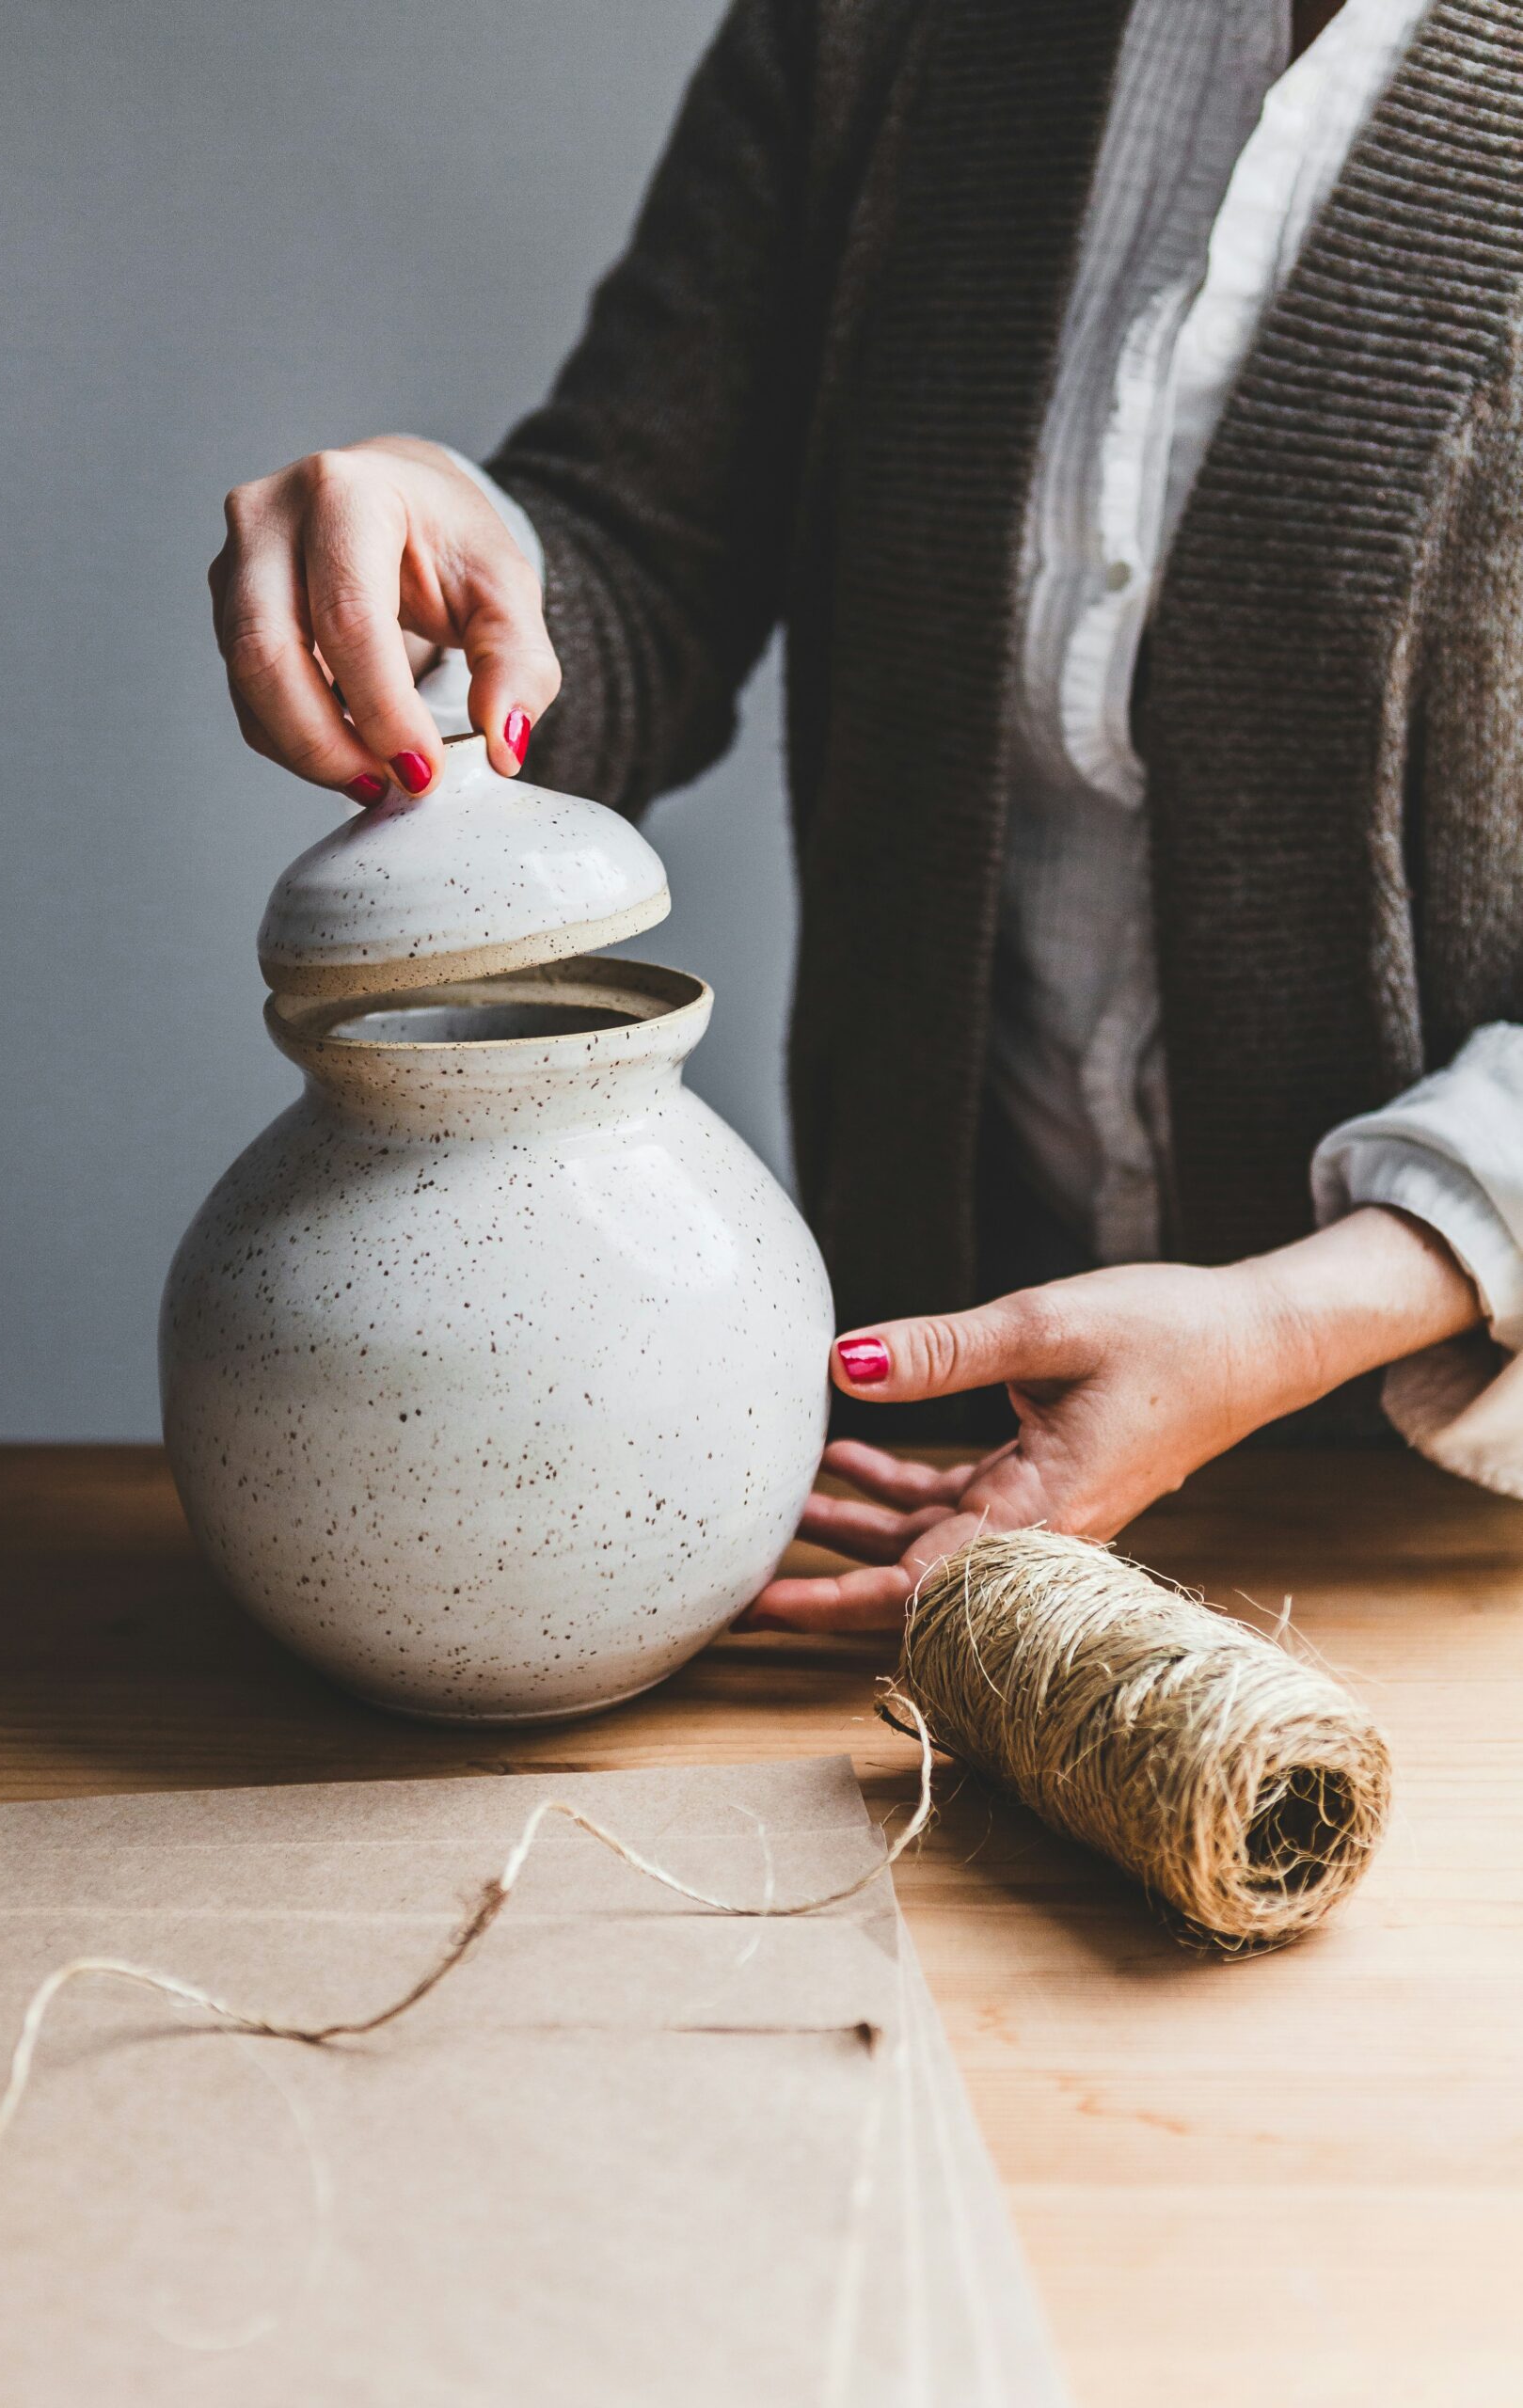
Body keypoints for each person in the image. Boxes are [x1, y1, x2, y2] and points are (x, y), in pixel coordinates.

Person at [208, 0, 1523, 1627]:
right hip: (924, 1490)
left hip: (1440, 1531)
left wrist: (1303, 1313)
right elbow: (640, 553)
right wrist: (449, 559)